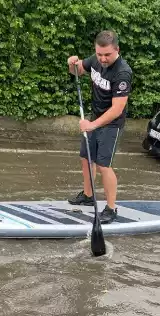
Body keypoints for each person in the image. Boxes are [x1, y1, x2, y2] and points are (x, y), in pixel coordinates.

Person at [66, 30, 132, 224]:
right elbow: (78, 71)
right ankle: (88, 195)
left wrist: (92, 125)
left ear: (117, 50)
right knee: (86, 157)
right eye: (99, 54)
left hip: (111, 124)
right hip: (94, 119)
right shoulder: (95, 60)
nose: (102, 59)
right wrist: (72, 64)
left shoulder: (122, 72)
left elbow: (117, 109)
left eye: (107, 55)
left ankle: (111, 208)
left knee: (104, 165)